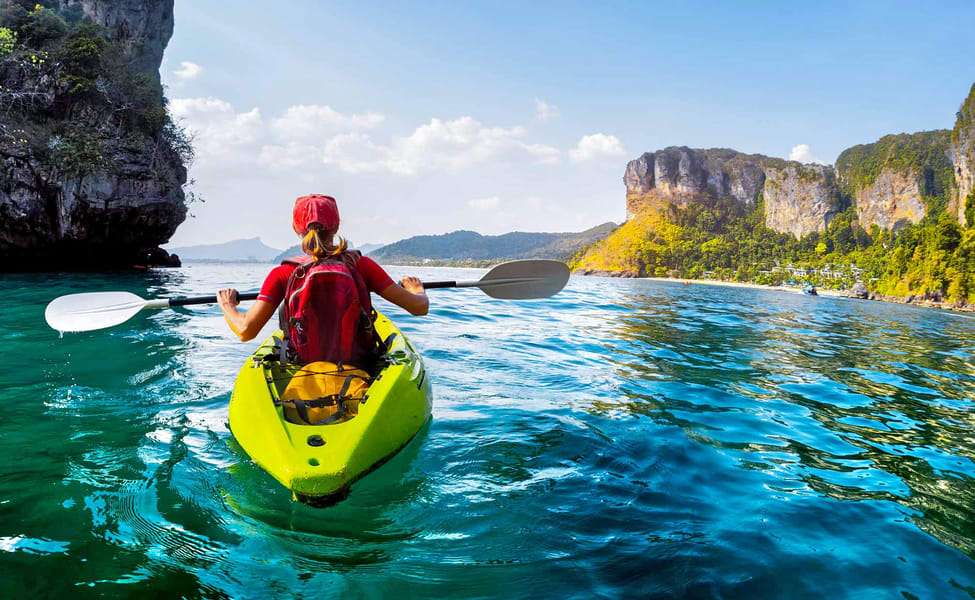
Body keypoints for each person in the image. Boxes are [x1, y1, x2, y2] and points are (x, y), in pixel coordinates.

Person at [216, 194, 428, 366]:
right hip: (359, 364)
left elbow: (245, 331)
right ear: (336, 226)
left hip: (303, 366)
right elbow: (419, 308)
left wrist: (227, 305)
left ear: (295, 228)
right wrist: (417, 289)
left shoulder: (284, 273)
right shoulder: (361, 265)